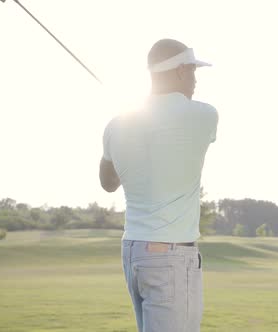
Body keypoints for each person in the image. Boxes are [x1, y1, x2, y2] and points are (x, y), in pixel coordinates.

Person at [99, 38, 218, 332]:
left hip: (134, 252)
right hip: (171, 256)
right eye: (192, 72)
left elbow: (107, 182)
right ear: (179, 71)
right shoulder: (204, 115)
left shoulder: (117, 125)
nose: (194, 81)